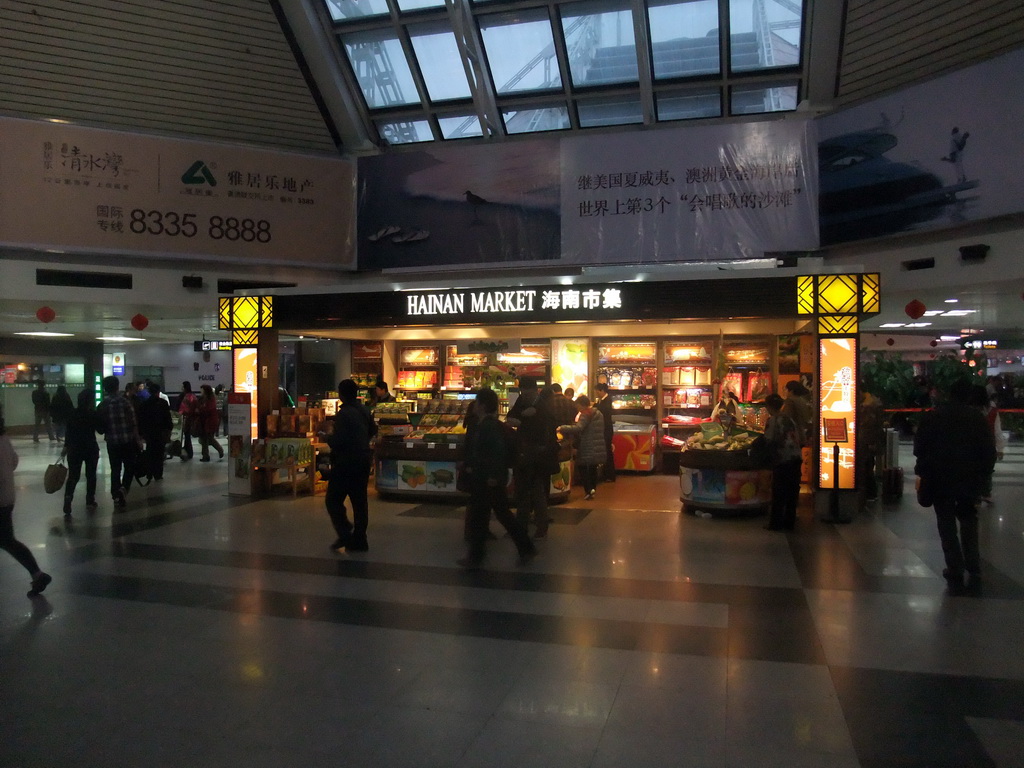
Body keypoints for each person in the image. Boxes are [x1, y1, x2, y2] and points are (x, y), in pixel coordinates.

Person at [914, 379, 996, 590]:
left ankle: (954, 566)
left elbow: (920, 447)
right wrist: (984, 478)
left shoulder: (934, 416)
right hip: (969, 480)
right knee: (969, 521)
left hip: (940, 479)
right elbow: (988, 451)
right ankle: (973, 565)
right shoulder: (976, 419)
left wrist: (923, 470)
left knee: (946, 523)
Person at [457, 388, 536, 570]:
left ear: (482, 405)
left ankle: (476, 556)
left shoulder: (487, 426)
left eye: (477, 402)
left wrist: (492, 475)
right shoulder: (488, 424)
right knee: (498, 514)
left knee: (483, 516)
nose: (474, 406)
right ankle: (525, 547)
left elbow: (495, 453)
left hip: (486, 479)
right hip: (487, 477)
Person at [0, 411, 52, 597]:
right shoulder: (4, 437)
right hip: (6, 497)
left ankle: (38, 574)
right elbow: (13, 461)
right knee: (7, 540)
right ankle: (38, 575)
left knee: (7, 540)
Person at [325, 378, 377, 552]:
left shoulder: (344, 414)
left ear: (341, 395)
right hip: (363, 460)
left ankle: (345, 532)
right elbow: (373, 430)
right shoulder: (364, 410)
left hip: (345, 463)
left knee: (332, 500)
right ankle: (361, 540)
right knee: (359, 502)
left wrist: (326, 437)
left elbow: (338, 441)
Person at [506, 377, 558, 537]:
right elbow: (511, 417)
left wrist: (526, 419)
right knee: (523, 492)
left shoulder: (543, 406)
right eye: (523, 393)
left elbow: (548, 429)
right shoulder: (522, 401)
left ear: (536, 391)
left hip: (539, 455)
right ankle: (522, 526)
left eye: (527, 394)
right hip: (524, 453)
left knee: (536, 491)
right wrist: (521, 418)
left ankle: (540, 526)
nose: (525, 396)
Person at [96, 375, 140, 509]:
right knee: (129, 467)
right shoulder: (126, 402)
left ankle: (115, 494)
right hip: (128, 441)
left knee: (115, 468)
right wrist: (137, 439)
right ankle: (124, 489)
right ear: (117, 386)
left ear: (104, 388)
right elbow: (133, 423)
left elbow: (100, 428)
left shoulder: (102, 405)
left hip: (112, 442)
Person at [763, 393, 803, 531]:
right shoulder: (789, 420)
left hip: (782, 459)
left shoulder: (773, 421)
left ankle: (775, 523)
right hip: (795, 458)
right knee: (792, 493)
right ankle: (789, 522)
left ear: (768, 407)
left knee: (779, 493)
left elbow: (768, 439)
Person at [557, 394, 605, 500]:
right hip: (597, 444)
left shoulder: (586, 414)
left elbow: (579, 428)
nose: (577, 408)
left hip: (587, 444)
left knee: (582, 465)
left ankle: (588, 490)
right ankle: (593, 489)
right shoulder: (598, 413)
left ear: (582, 405)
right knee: (592, 467)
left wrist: (562, 428)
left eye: (578, 406)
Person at [61, 389, 100, 515]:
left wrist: (66, 447)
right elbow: (100, 430)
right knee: (91, 475)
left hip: (74, 448)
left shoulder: (72, 414)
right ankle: (90, 500)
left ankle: (68, 497)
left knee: (73, 475)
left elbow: (68, 432)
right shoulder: (92, 414)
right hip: (90, 448)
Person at [970, 384, 1005, 504]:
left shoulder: (968, 409)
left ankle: (975, 495)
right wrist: (1000, 448)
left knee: (972, 470)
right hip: (988, 445)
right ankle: (985, 493)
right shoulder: (992, 408)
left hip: (971, 445)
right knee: (986, 471)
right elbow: (997, 429)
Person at [137, 382, 173, 481]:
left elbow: (141, 419)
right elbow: (168, 418)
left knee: (150, 452)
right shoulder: (163, 403)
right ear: (158, 392)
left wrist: (141, 433)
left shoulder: (144, 404)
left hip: (149, 433)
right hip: (160, 432)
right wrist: (169, 429)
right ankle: (158, 474)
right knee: (159, 453)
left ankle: (149, 472)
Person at [858, 389, 886, 502]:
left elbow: (868, 427)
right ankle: (871, 493)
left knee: (866, 467)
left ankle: (870, 493)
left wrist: (870, 442)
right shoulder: (873, 402)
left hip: (867, 441)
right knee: (868, 466)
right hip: (871, 440)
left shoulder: (867, 406)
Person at [593, 382, 616, 483]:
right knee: (605, 451)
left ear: (602, 391)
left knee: (607, 452)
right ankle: (607, 474)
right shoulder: (602, 400)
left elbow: (603, 412)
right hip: (605, 429)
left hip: (606, 430)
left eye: (597, 391)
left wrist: (595, 407)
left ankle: (610, 475)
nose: (596, 393)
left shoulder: (606, 401)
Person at [196, 384, 225, 462]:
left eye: (202, 389)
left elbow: (208, 409)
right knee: (204, 439)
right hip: (205, 421)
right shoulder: (203, 399)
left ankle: (220, 450)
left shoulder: (210, 399)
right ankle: (205, 455)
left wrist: (200, 409)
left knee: (209, 438)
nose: (200, 391)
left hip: (210, 421)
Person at [177, 381, 198, 461]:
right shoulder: (193, 396)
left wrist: (179, 415)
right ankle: (188, 451)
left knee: (187, 435)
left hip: (186, 418)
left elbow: (183, 409)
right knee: (187, 435)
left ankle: (188, 452)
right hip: (191, 418)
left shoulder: (185, 397)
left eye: (182, 386)